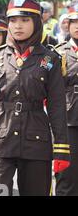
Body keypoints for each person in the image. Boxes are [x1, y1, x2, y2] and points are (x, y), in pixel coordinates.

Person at [0, 0, 70, 196]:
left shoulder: (50, 60)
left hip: (36, 140)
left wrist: (61, 148)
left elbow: (57, 106)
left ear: (36, 22)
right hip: (0, 140)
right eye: (13, 20)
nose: (18, 26)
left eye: (25, 20)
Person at [54, 10, 78, 196]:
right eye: (73, 22)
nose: (77, 26)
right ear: (67, 26)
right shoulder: (59, 53)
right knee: (67, 174)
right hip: (68, 117)